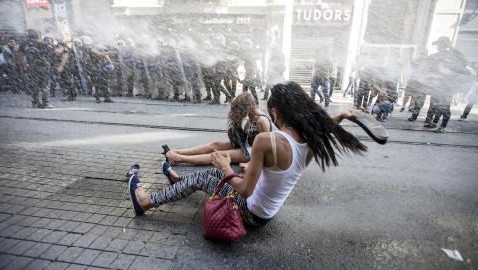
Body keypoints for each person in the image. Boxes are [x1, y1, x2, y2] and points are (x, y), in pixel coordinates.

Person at [128, 81, 367, 228]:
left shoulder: (267, 140)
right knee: (209, 173)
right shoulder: (313, 139)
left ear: (275, 112)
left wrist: (226, 166)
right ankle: (179, 182)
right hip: (267, 212)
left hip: (250, 212)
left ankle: (146, 202)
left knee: (205, 176)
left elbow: (244, 191)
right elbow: (326, 126)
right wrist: (342, 116)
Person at [164, 92, 271, 166]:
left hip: (252, 153)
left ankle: (179, 159)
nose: (238, 114)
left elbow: (267, 149)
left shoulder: (262, 121)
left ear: (248, 108)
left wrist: (250, 164)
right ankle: (179, 152)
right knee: (215, 144)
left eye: (239, 111)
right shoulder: (252, 114)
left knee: (216, 156)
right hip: (247, 145)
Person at [423, 36, 471, 133]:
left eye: (451, 55)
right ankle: (435, 122)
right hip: (440, 86)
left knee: (445, 107)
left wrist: (449, 46)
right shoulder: (443, 60)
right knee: (437, 105)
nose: (448, 56)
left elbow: (461, 56)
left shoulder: (457, 59)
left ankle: (443, 127)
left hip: (449, 88)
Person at [19, 29, 64, 108]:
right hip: (42, 67)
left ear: (28, 36)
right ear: (37, 36)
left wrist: (22, 67)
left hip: (31, 67)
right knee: (45, 85)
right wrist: (62, 48)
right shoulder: (41, 44)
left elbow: (20, 56)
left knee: (34, 86)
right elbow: (57, 51)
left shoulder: (23, 44)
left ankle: (35, 102)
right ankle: (46, 103)